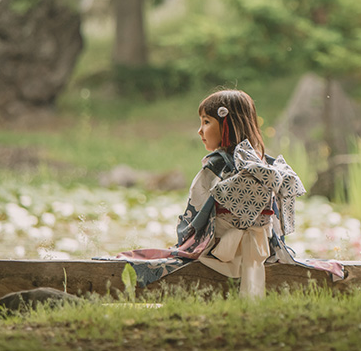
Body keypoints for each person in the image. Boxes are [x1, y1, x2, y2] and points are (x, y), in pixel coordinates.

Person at [112, 89, 342, 297]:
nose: (200, 130)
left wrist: (186, 238)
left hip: (219, 251)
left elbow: (195, 215)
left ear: (227, 126)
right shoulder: (265, 165)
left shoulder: (215, 166)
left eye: (206, 122)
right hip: (262, 249)